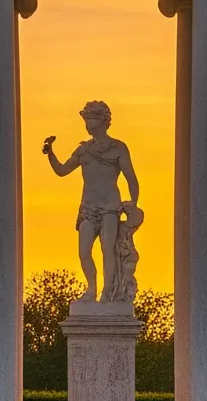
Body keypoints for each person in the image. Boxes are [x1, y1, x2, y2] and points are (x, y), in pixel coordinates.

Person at [42, 101, 141, 302]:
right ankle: (91, 290)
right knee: (84, 252)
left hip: (110, 207)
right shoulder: (83, 150)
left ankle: (106, 293)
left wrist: (134, 203)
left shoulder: (118, 148)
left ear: (103, 121)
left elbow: (131, 178)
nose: (88, 124)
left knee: (107, 249)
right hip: (88, 207)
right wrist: (50, 154)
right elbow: (62, 171)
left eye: (91, 119)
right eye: (86, 120)